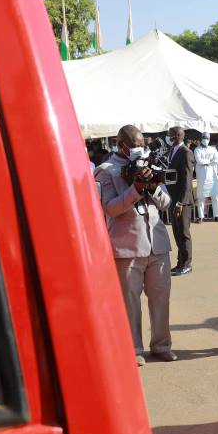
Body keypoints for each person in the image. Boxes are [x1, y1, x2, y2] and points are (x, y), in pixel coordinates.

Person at [94, 125, 176, 366]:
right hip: (127, 245)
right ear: (122, 146)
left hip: (157, 244)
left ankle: (162, 345)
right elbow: (110, 208)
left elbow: (165, 202)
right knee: (130, 301)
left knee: (161, 297)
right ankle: (133, 348)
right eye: (135, 144)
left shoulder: (150, 162)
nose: (140, 148)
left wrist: (151, 186)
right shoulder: (105, 171)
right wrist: (135, 189)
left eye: (143, 143)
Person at [166, 126, 194, 276]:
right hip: (173, 197)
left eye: (170, 135)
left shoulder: (186, 153)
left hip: (182, 201)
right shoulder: (172, 150)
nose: (168, 137)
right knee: (177, 233)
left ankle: (187, 264)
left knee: (184, 233)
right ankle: (180, 263)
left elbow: (187, 180)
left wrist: (181, 202)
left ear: (177, 136)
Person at [193, 132, 218, 223]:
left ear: (209, 139)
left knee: (215, 196)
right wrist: (210, 161)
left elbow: (217, 160)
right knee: (201, 197)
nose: (205, 139)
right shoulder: (197, 149)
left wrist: (206, 162)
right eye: (204, 138)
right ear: (201, 138)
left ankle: (216, 216)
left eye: (207, 138)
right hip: (202, 176)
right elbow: (199, 160)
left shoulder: (213, 149)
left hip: (212, 176)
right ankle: (201, 217)